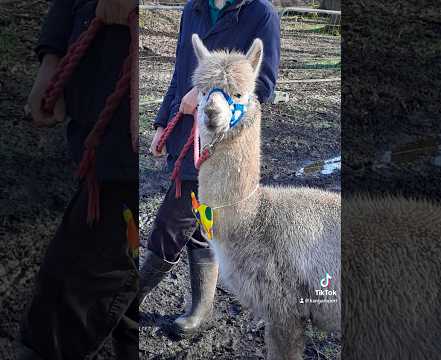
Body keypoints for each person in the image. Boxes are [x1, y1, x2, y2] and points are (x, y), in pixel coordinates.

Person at [140, 0, 280, 338]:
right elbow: (179, 72)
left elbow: (264, 87)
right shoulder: (194, 9)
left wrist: (204, 95)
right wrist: (163, 123)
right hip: (185, 133)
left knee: (171, 223)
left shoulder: (261, 15)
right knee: (202, 223)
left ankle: (126, 298)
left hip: (223, 144)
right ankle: (202, 309)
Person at [17, 0, 139, 359]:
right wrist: (53, 59)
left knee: (67, 301)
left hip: (131, 143)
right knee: (124, 297)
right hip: (98, 108)